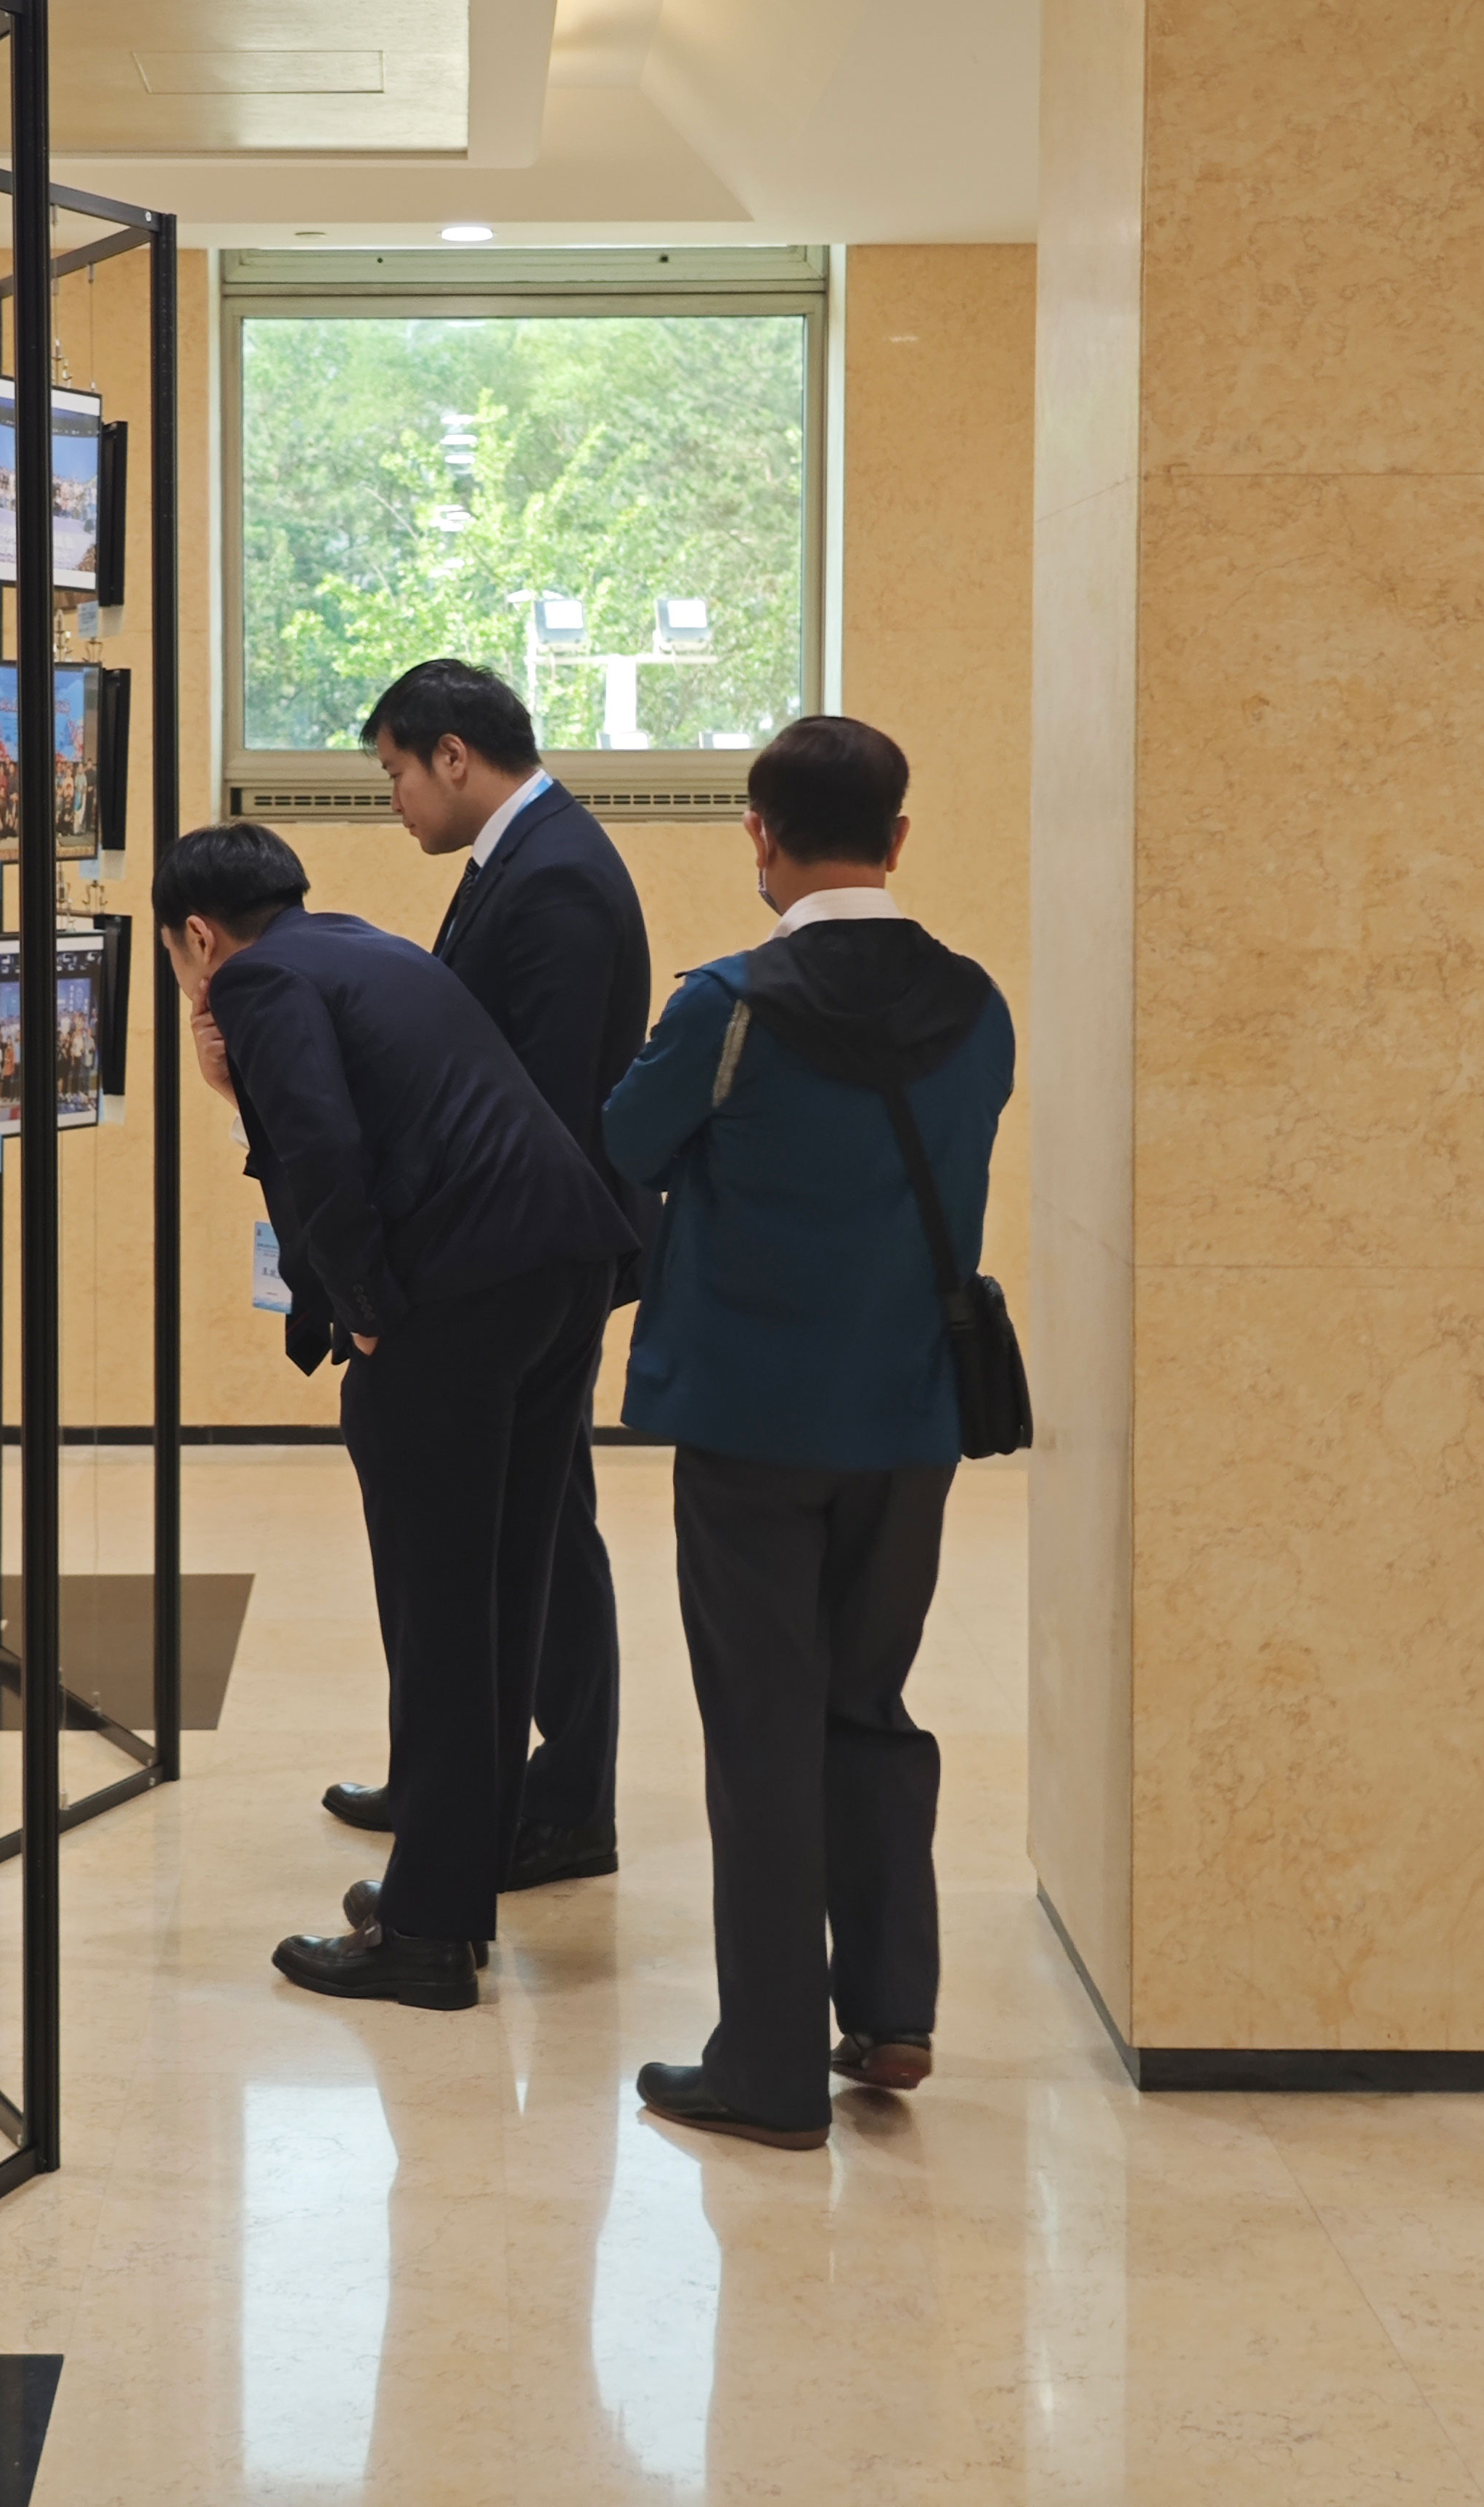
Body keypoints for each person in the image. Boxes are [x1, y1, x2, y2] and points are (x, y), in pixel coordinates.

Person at [606, 715, 1014, 2150]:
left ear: (759, 835)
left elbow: (624, 1144)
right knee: (869, 1702)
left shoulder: (726, 1007)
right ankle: (892, 2009)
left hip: (750, 1421)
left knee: (762, 1729)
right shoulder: (977, 1005)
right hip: (910, 1418)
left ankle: (769, 2067)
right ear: (897, 837)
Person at [158, 821, 633, 2010]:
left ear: (197, 937)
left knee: (437, 1611)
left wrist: (363, 1308)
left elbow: (321, 1148)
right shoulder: (361, 943)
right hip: (563, 1266)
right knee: (503, 1594)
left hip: (461, 1298)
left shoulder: (257, 984)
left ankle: (424, 1933)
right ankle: (452, 1884)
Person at [319, 657, 654, 1891]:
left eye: (396, 774)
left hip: (531, 1261)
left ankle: (564, 1804)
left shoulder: (555, 874)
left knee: (546, 1530)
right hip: (520, 1253)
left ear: (453, 755)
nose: (394, 801)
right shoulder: (517, 856)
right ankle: (453, 1778)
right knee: (521, 1522)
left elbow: (543, 1100)